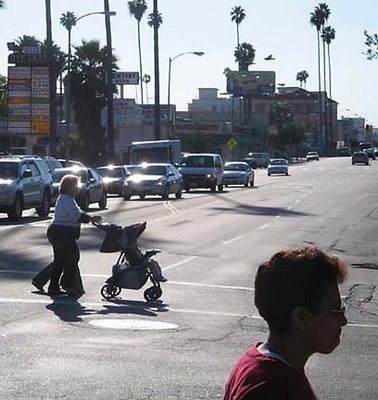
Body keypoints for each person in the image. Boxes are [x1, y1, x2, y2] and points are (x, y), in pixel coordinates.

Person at [223, 246, 348, 400]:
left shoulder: (254, 363)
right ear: (301, 317)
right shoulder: (277, 388)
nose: (343, 321)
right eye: (336, 310)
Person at [32, 174, 101, 297]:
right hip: (61, 233)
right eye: (75, 186)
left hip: (60, 233)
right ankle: (67, 284)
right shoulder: (65, 199)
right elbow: (76, 216)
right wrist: (90, 218)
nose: (77, 188)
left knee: (60, 261)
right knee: (72, 258)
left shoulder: (68, 199)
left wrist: (88, 217)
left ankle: (53, 287)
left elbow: (78, 212)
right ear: (68, 187)